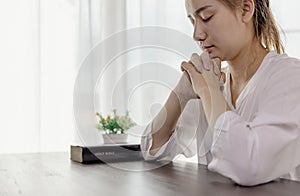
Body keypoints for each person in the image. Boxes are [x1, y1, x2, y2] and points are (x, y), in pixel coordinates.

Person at [140, 0, 300, 186]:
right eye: (192, 21)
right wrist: (181, 94)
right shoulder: (212, 79)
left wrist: (208, 91)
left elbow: (248, 165)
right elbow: (152, 149)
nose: (197, 34)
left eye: (207, 17)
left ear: (245, 9)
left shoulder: (290, 77)